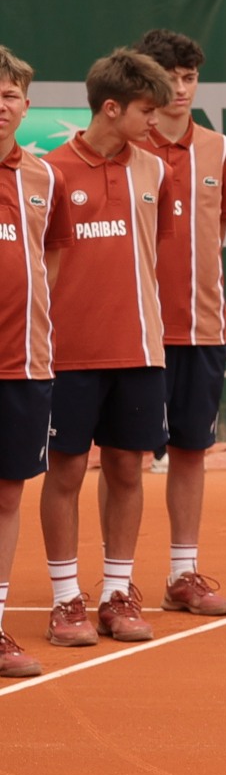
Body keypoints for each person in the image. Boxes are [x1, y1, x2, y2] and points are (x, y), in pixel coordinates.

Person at [38, 48, 171, 649]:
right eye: (146, 110)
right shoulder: (48, 171)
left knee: (126, 469)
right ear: (111, 107)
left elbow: (152, 254)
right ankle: (66, 600)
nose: (156, 122)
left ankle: (117, 592)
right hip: (65, 354)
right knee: (64, 472)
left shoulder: (155, 170)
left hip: (140, 350)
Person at [133, 29, 226, 618]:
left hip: (201, 330)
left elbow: (216, 237)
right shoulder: (128, 148)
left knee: (190, 451)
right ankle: (115, 582)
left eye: (189, 76)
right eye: (169, 76)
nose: (180, 88)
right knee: (125, 456)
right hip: (135, 333)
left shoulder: (221, 151)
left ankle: (183, 574)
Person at [0, 48, 61, 676]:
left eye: (10, 95)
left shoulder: (43, 179)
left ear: (25, 106)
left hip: (21, 367)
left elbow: (53, 262)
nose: (0, 105)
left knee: (6, 497)